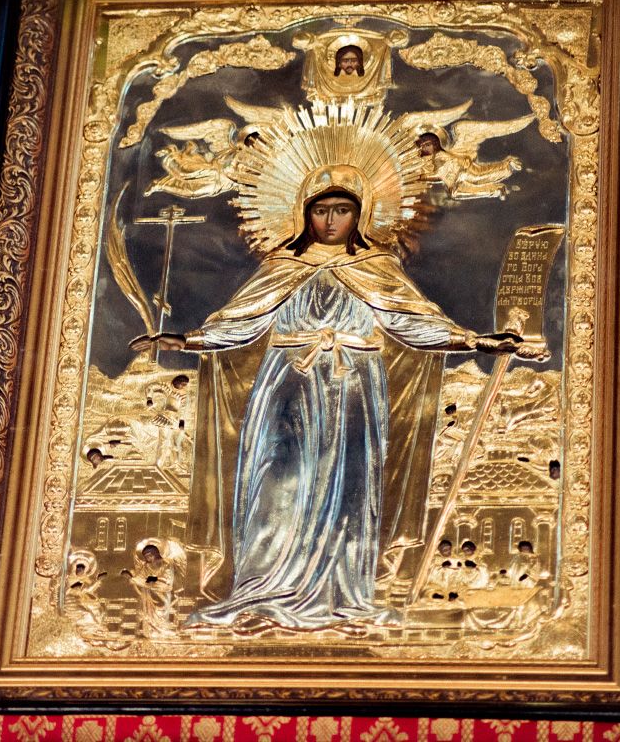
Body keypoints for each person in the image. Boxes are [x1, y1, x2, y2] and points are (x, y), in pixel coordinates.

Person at [131, 166, 545, 631]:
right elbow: (240, 321)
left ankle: (341, 594)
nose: (331, 221)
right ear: (303, 213)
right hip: (287, 385)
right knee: (276, 481)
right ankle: (261, 589)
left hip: (353, 390)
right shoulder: (282, 267)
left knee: (348, 488)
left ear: (361, 215)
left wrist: (475, 341)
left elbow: (415, 323)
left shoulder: (377, 268)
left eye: (343, 210)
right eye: (322, 210)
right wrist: (186, 340)